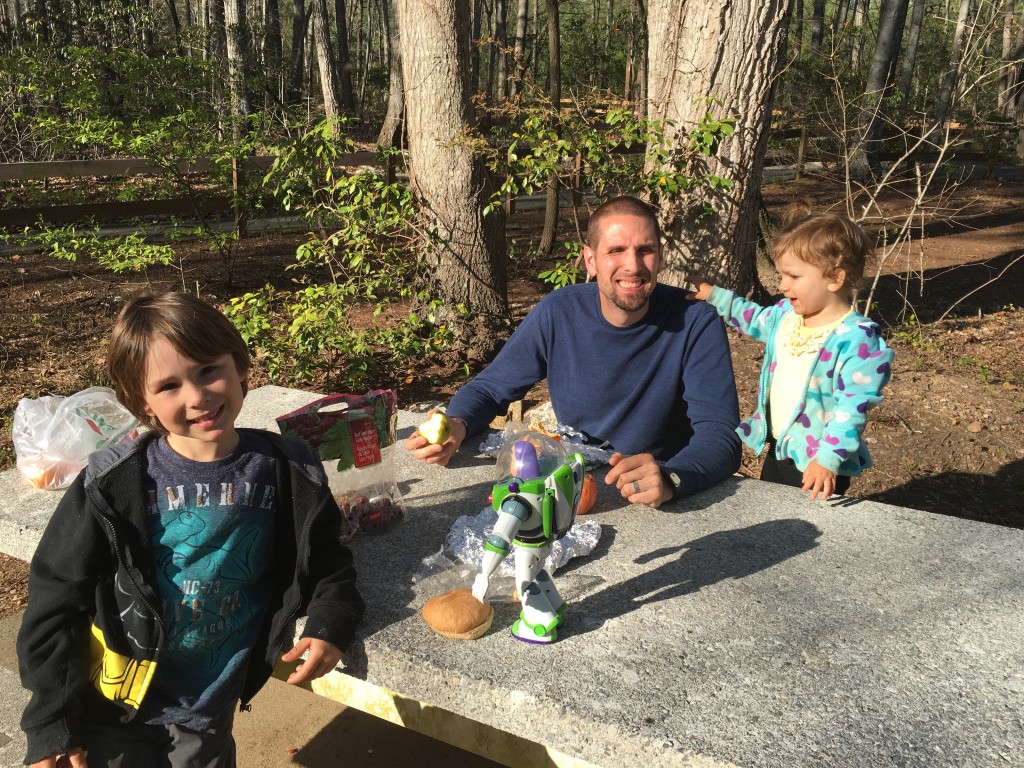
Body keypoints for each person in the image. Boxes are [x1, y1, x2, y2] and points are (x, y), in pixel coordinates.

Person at [17, 292, 365, 768]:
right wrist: (50, 721)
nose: (197, 396)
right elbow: (55, 597)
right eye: (169, 386)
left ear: (239, 365)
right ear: (142, 401)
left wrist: (332, 620)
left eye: (208, 369)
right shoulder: (113, 483)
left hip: (209, 707)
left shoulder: (288, 469)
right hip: (114, 708)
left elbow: (327, 560)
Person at [404, 195, 742, 508]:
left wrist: (672, 478)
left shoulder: (696, 322)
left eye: (645, 250)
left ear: (661, 256)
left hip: (653, 490)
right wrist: (459, 425)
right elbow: (490, 388)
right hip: (571, 488)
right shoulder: (559, 313)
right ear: (591, 260)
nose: (633, 265)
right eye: (616, 251)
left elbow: (720, 434)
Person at [687, 201, 894, 500]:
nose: (783, 286)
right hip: (780, 443)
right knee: (772, 507)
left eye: (794, 277)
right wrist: (715, 296)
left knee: (811, 527)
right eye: (781, 275)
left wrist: (828, 459)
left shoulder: (857, 340)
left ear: (835, 278)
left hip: (818, 460)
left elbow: (851, 408)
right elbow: (755, 318)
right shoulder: (786, 315)